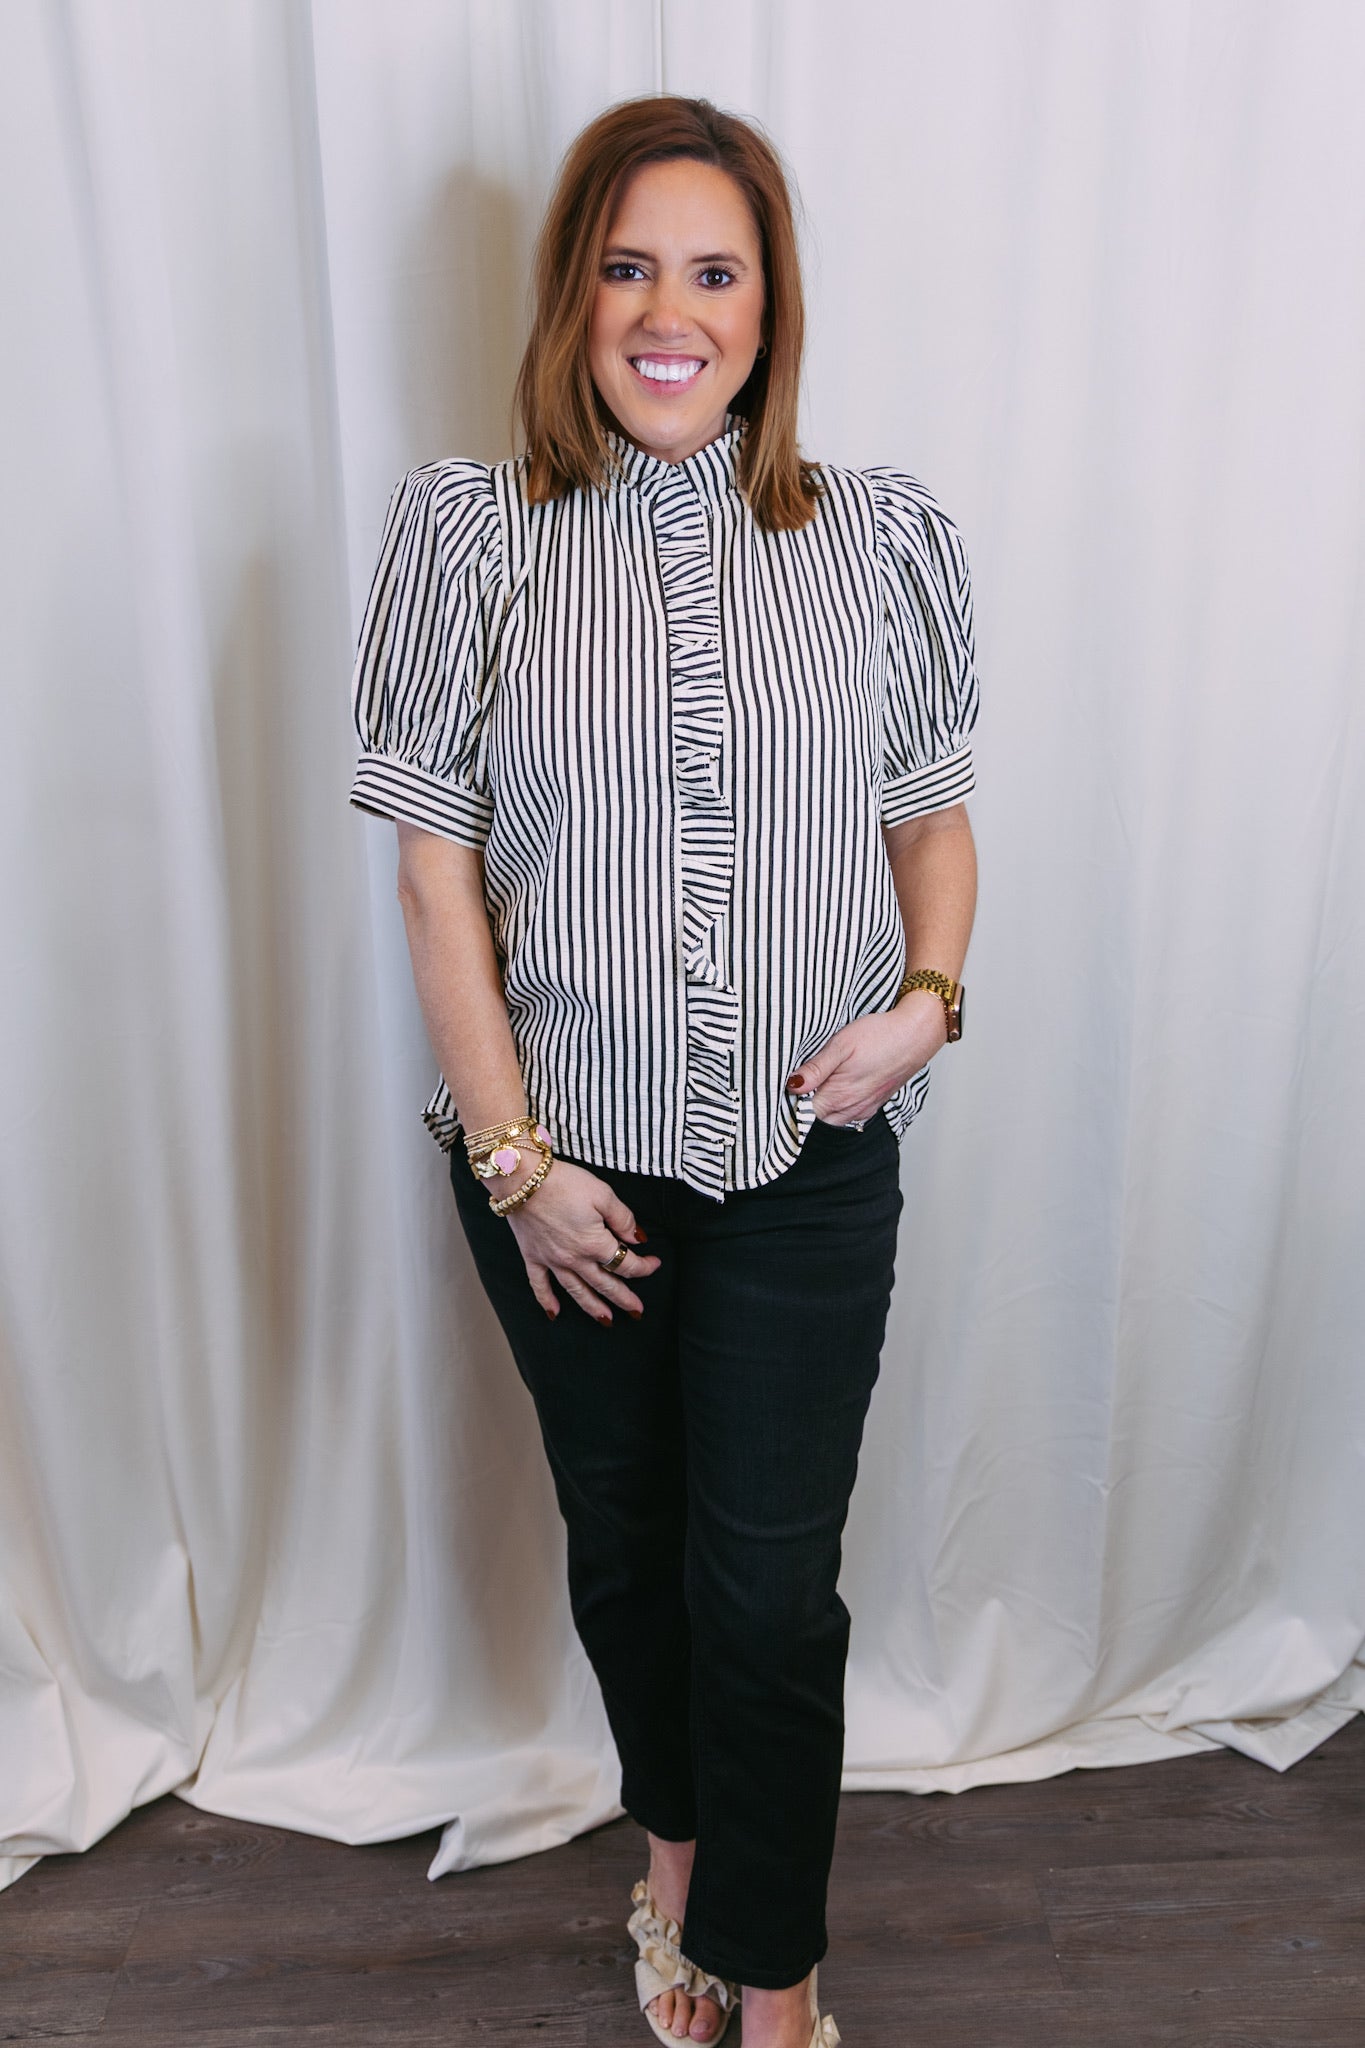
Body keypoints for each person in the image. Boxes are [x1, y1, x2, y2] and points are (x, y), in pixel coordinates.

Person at [349, 94, 979, 2048]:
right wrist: (518, 1158)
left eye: (711, 269)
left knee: (768, 1598)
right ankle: (679, 1878)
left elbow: (929, 819)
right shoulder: (465, 528)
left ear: (768, 304)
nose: (666, 311)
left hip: (806, 1160)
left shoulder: (881, 535)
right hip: (569, 1176)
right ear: (572, 295)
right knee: (628, 1554)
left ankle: (772, 1988)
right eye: (626, 265)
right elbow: (432, 863)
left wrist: (929, 999)